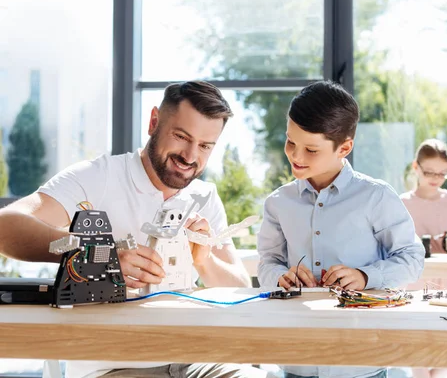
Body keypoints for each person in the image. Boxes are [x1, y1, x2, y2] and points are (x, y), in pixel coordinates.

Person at [0, 81, 270, 378]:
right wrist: (99, 254)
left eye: (205, 146)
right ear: (154, 121)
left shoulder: (204, 197)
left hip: (196, 361)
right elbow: (6, 227)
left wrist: (204, 260)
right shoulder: (98, 177)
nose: (191, 157)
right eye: (181, 137)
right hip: (114, 366)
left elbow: (240, 288)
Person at [257, 80, 425, 378]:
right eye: (290, 142)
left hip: (361, 360)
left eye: (311, 149)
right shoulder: (278, 203)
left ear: (344, 148)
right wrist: (280, 278)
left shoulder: (376, 196)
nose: (296, 156)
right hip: (298, 359)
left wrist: (365, 276)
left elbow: (412, 259)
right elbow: (268, 263)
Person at [400, 138, 447, 254]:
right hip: (415, 270)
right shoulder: (402, 203)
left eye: (442, 174)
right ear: (416, 166)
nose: (436, 178)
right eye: (429, 172)